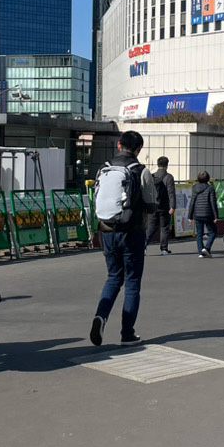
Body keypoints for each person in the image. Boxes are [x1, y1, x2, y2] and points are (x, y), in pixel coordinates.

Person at [89, 131, 156, 347]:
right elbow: (151, 204)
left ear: (119, 146)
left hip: (106, 230)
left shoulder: (104, 168)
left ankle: (101, 316)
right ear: (139, 150)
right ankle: (127, 333)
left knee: (113, 277)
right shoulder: (141, 171)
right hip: (132, 232)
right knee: (132, 283)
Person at [147, 156, 176, 256]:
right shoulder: (169, 177)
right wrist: (173, 206)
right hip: (164, 206)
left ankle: (143, 246)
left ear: (157, 164)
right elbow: (171, 193)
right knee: (164, 228)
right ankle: (164, 249)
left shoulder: (152, 176)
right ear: (167, 165)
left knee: (151, 227)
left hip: (153, 205)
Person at [189, 171, 218, 258]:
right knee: (213, 232)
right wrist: (216, 216)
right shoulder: (210, 188)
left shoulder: (195, 188)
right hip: (208, 213)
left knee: (199, 233)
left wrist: (190, 215)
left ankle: (201, 252)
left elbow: (192, 202)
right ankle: (207, 248)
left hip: (197, 213)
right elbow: (213, 202)